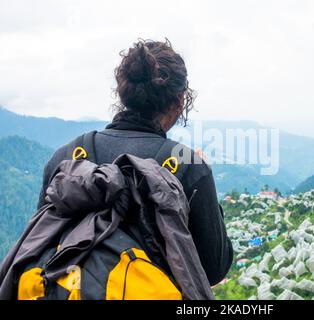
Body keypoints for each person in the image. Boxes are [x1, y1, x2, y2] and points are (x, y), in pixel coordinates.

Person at [36, 39, 233, 286]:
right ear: (180, 101)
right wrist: (205, 179)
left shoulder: (65, 157)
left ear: (122, 92)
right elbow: (213, 268)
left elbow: (40, 243)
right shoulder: (188, 168)